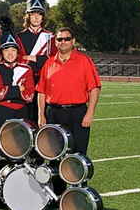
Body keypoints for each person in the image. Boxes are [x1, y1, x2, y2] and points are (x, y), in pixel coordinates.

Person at [36, 27, 101, 197]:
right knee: (54, 154)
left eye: (66, 39)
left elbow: (94, 88)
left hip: (77, 113)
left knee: (77, 155)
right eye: (59, 39)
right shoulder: (49, 63)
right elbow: (41, 91)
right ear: (55, 42)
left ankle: (78, 195)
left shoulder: (84, 61)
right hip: (53, 113)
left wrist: (90, 113)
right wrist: (41, 114)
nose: (63, 42)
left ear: (73, 41)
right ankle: (57, 196)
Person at [0, 15, 34, 169]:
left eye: (13, 49)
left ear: (17, 51)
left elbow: (29, 96)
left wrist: (9, 91)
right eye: (6, 50)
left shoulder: (26, 69)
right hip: (2, 114)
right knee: (1, 153)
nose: (10, 53)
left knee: (21, 151)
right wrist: (19, 89)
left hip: (21, 113)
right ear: (1, 52)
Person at [17, 0, 57, 125]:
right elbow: (18, 58)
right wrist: (39, 59)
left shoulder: (50, 36)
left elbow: (53, 59)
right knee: (26, 116)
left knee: (42, 116)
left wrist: (33, 57)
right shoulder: (19, 36)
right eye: (33, 14)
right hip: (25, 80)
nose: (36, 17)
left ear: (43, 17)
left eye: (39, 14)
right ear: (28, 16)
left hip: (43, 80)